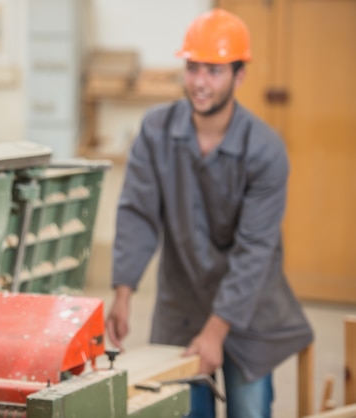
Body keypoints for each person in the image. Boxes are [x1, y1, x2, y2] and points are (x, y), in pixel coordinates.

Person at [105, 8, 313, 418]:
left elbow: (255, 249)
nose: (200, 82)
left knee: (249, 410)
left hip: (248, 307)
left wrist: (217, 331)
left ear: (239, 76)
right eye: (193, 68)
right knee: (182, 410)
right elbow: (138, 213)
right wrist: (123, 292)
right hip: (181, 303)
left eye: (214, 71)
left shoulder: (265, 149)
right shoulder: (156, 130)